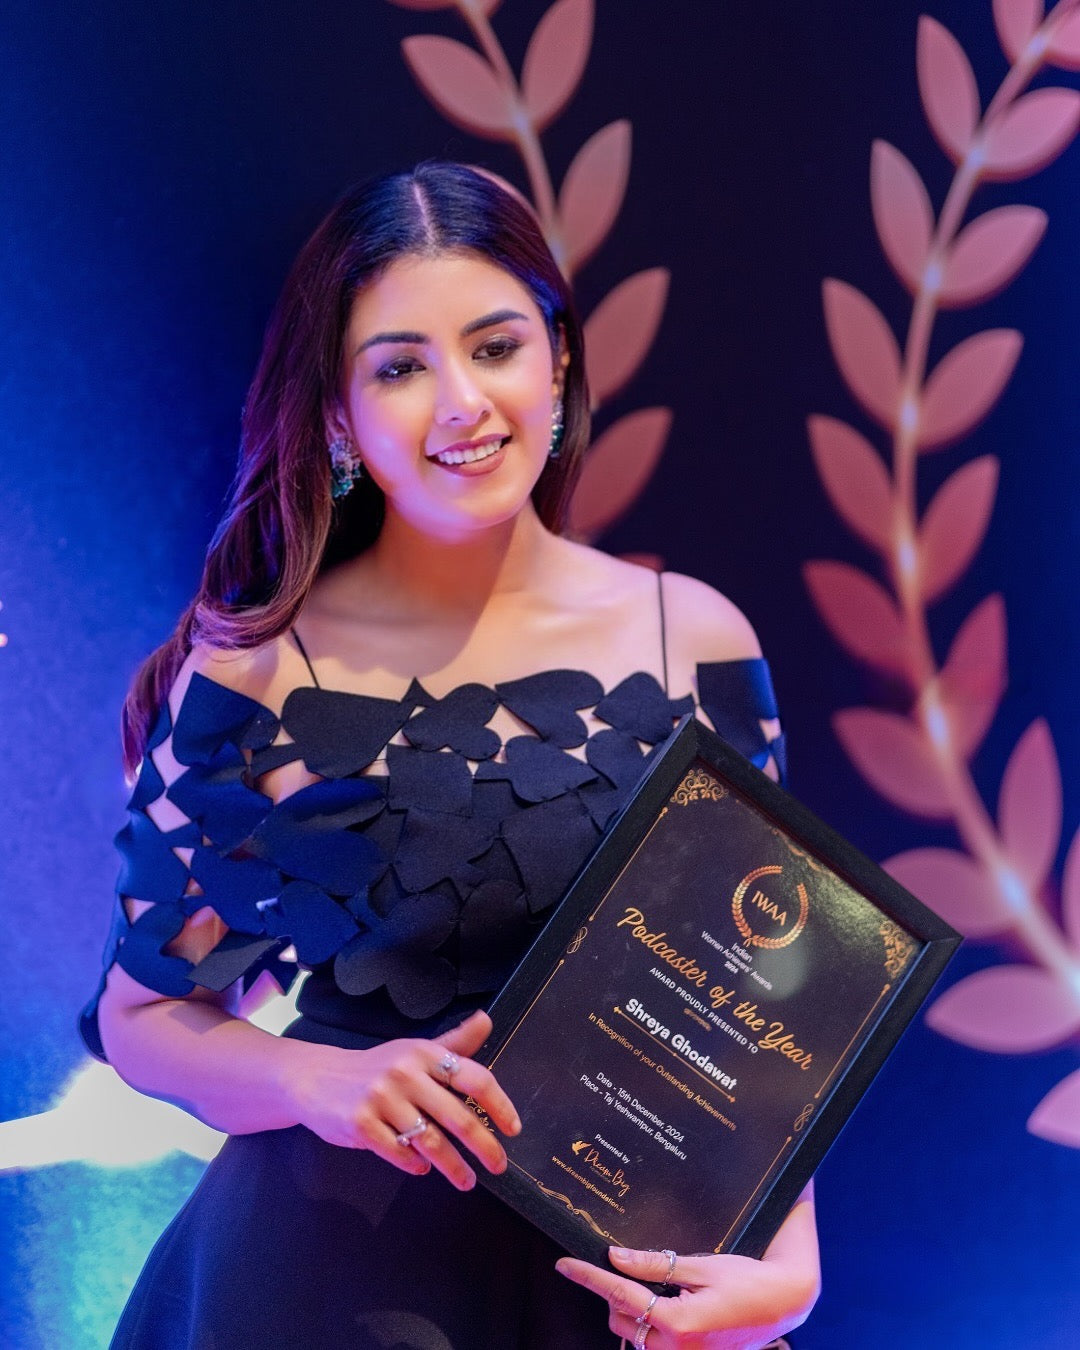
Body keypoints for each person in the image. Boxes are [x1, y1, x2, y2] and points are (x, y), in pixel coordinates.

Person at [81, 162, 820, 1349]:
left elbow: (771, 1003)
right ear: (338, 411)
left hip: (617, 1284)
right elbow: (144, 1015)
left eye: (495, 347)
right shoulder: (261, 666)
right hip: (330, 1282)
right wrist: (315, 1083)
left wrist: (786, 1263)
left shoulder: (695, 637)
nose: (463, 402)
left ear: (557, 360)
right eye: (400, 367)